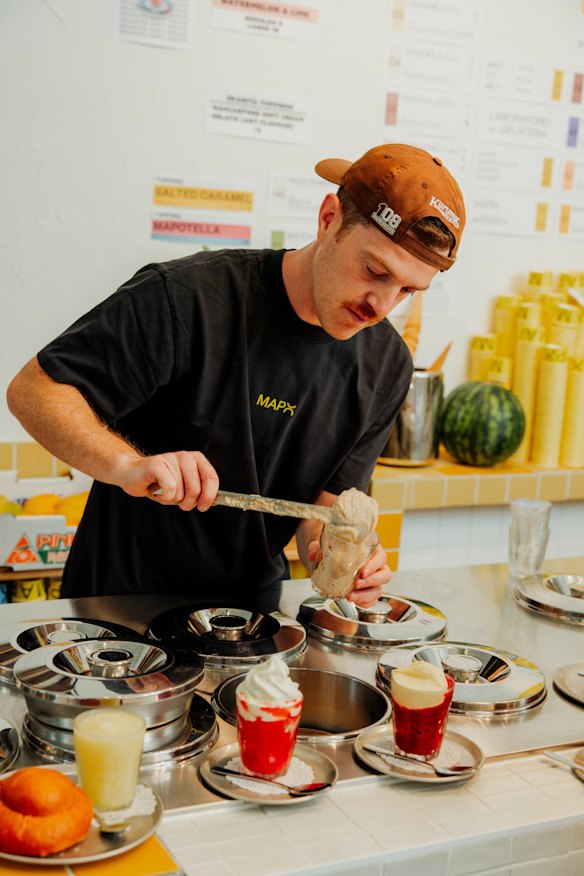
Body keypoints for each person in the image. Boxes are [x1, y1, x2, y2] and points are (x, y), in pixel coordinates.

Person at [7, 143, 465, 607]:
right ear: (328, 219)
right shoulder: (188, 299)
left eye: (408, 289)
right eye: (374, 270)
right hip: (121, 608)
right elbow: (35, 390)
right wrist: (127, 465)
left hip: (252, 619)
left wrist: (336, 551)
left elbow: (324, 508)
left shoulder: (387, 365)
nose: (381, 306)